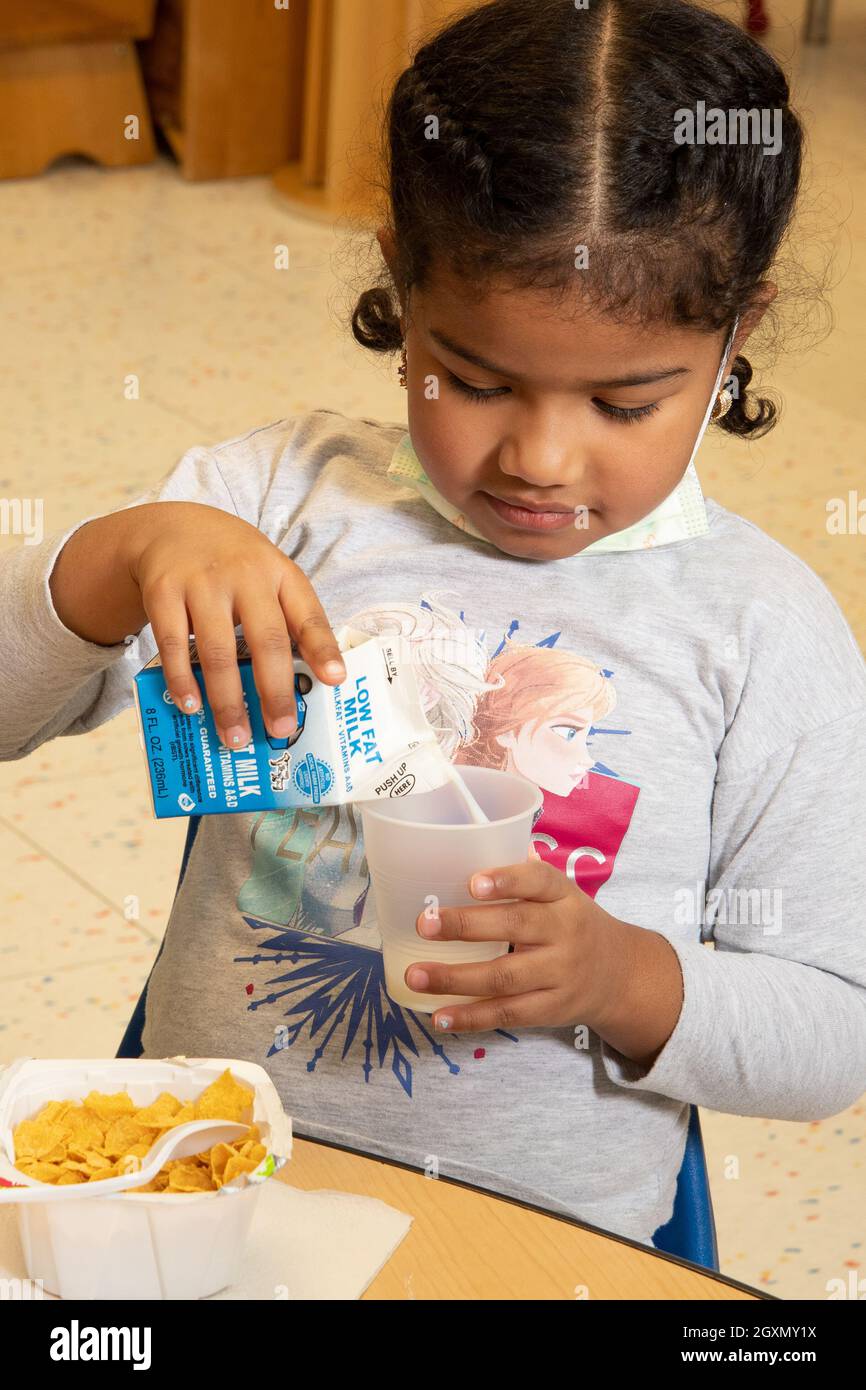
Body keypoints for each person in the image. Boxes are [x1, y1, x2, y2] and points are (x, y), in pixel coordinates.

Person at [2, 0, 864, 1251]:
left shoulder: (762, 631)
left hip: (538, 1249)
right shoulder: (274, 504)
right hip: (210, 1210)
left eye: (624, 402)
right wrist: (117, 560)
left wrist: (621, 978)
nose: (537, 456)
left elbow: (829, 1029)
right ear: (399, 281)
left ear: (733, 339)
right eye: (471, 377)